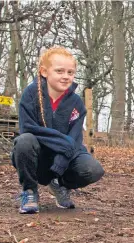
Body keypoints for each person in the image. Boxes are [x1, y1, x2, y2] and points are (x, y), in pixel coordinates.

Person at [11, 46, 104, 214]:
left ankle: (60, 185)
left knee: (93, 169)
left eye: (70, 72)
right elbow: (29, 128)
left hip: (65, 156)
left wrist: (61, 162)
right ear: (44, 72)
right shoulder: (30, 95)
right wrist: (64, 141)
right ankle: (30, 191)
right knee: (24, 141)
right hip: (38, 155)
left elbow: (74, 140)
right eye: (60, 71)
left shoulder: (77, 103)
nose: (66, 77)